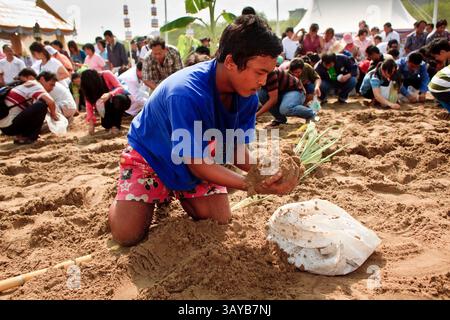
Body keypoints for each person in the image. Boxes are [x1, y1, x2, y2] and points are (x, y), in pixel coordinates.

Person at [108, 15, 300, 247]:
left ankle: (170, 192)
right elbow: (197, 163)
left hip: (196, 158)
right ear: (230, 62)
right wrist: (249, 184)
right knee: (127, 235)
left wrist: (264, 173)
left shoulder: (246, 95)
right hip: (152, 157)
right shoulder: (186, 92)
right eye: (260, 72)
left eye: (268, 73)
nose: (264, 81)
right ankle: (135, 192)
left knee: (219, 220)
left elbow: (235, 148)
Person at [0, 68, 58, 144]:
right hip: (10, 126)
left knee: (38, 108)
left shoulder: (26, 85)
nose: (52, 88)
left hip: (5, 127)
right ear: (42, 79)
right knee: (42, 105)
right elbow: (50, 102)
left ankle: (22, 136)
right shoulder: (36, 85)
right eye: (51, 85)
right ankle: (30, 138)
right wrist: (54, 116)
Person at [80, 69, 131, 135]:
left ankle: (116, 126)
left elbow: (120, 88)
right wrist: (91, 124)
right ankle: (113, 123)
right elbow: (89, 106)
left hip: (122, 100)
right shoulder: (88, 89)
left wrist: (109, 94)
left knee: (117, 99)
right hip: (107, 107)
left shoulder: (106, 74)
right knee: (106, 124)